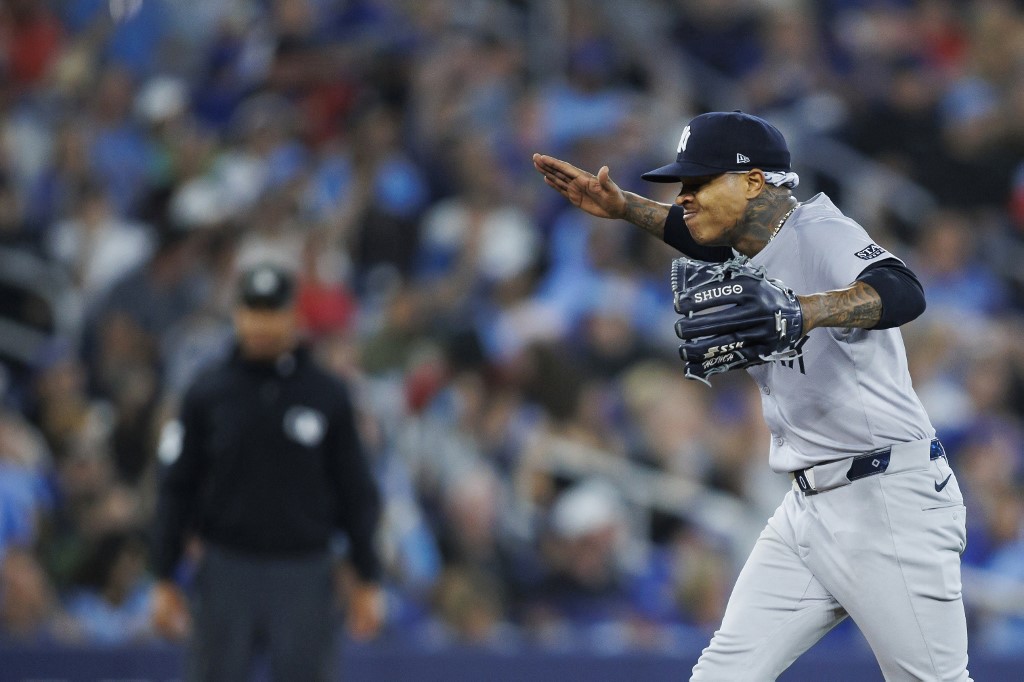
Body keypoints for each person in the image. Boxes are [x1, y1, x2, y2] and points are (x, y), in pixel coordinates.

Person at [534, 111, 970, 681]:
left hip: (888, 498)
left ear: (754, 181)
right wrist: (623, 208)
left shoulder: (819, 231)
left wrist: (806, 311)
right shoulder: (745, 243)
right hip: (807, 507)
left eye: (699, 183)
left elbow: (904, 291)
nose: (685, 197)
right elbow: (685, 231)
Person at [150, 262, 384, 681]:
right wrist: (164, 574)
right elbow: (177, 486)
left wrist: (367, 575)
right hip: (226, 566)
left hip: (305, 570)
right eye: (253, 311)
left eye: (272, 311)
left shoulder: (326, 393)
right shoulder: (207, 392)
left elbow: (356, 489)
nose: (262, 324)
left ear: (293, 315)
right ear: (237, 315)